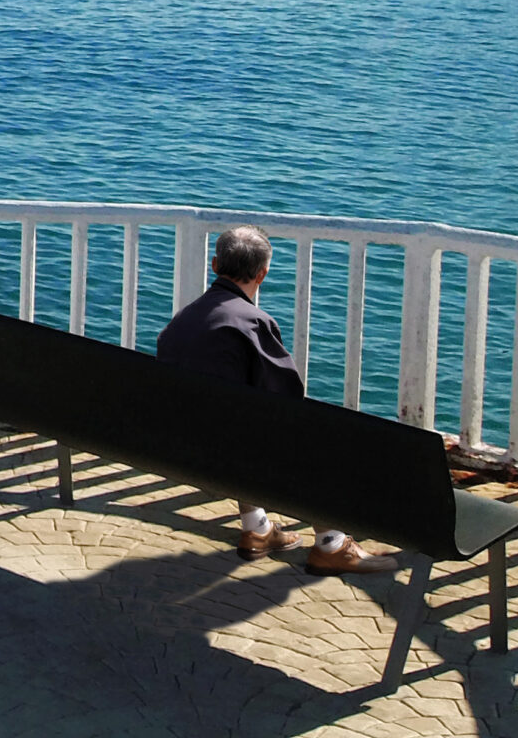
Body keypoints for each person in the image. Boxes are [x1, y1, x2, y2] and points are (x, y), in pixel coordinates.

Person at [157, 224, 398, 573]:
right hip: (226, 453)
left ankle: (257, 530)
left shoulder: (183, 319)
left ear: (214, 265)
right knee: (305, 436)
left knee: (236, 420)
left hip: (173, 444)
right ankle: (331, 545)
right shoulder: (254, 322)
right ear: (263, 274)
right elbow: (287, 399)